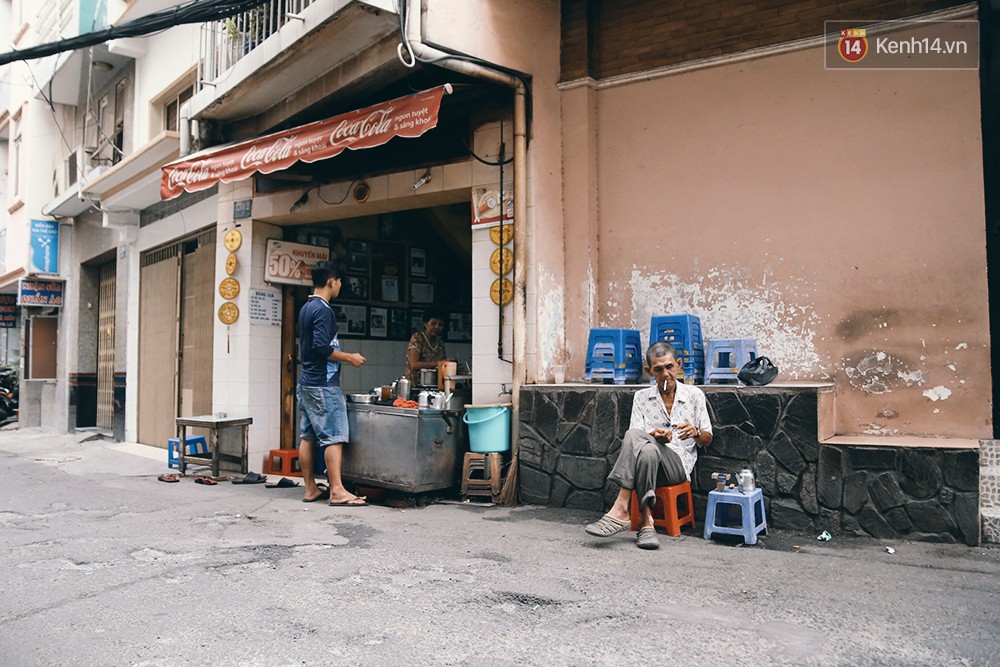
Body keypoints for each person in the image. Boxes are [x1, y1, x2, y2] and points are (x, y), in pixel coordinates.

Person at [585, 341, 713, 549]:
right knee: (646, 449)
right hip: (647, 463)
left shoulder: (694, 395)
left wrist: (696, 433)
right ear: (649, 371)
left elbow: (708, 438)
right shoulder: (641, 397)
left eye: (670, 367)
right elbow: (635, 438)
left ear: (678, 365)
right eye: (658, 369)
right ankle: (646, 525)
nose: (665, 374)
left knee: (641, 441)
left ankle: (621, 507)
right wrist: (655, 437)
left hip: (677, 468)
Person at [297, 262, 368, 506]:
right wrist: (350, 357)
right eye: (339, 282)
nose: (340, 286)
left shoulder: (306, 307)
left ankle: (310, 488)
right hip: (323, 385)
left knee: (307, 436)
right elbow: (321, 347)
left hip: (306, 382)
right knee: (333, 437)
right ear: (331, 281)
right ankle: (337, 490)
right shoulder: (323, 310)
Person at [406, 310, 449, 384]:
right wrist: (437, 363)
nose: (436, 327)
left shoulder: (440, 343)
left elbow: (442, 365)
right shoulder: (417, 339)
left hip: (434, 386)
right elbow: (414, 365)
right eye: (433, 323)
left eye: (440, 325)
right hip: (416, 386)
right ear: (426, 323)